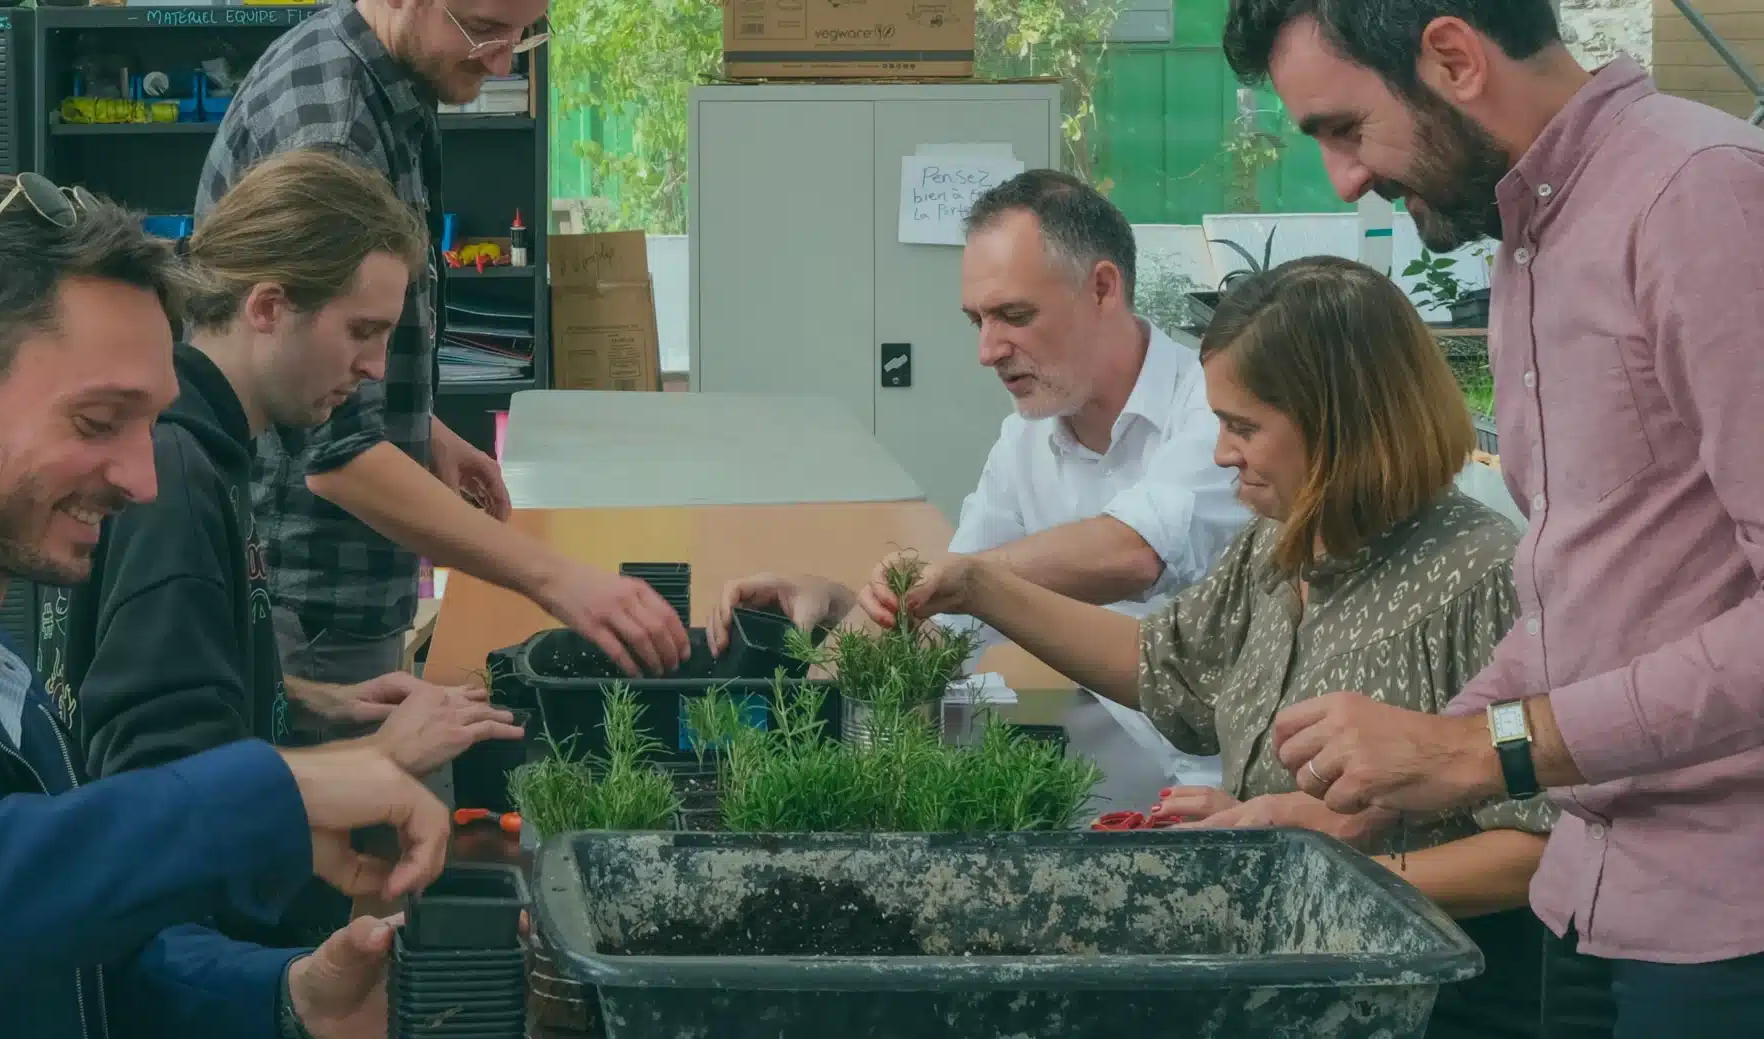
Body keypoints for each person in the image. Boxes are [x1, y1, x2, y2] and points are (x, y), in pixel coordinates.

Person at [0, 173, 452, 1039]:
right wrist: (263, 793)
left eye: (149, 425)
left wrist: (286, 995)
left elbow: (62, 955)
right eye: (99, 421)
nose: (142, 479)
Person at [815, 258, 1552, 1038]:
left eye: (1244, 427)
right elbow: (1164, 668)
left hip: (1432, 1006)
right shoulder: (1278, 545)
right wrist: (978, 586)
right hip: (1294, 990)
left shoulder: (1479, 576)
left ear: (1340, 421)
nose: (1223, 453)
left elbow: (1537, 849)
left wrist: (1319, 873)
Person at [1224, 2, 1764, 1031]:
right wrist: (1404, 776)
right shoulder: (1529, 239)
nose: (1343, 179)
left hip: (1728, 932)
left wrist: (1489, 752)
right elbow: (1589, 596)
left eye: (1342, 128)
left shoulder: (1697, 196)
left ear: (1452, 57)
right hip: (1591, 900)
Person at [45, 150, 524, 949]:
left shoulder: (207, 453)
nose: (373, 370)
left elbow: (162, 672)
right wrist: (376, 755)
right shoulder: (175, 476)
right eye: (361, 332)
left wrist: (315, 698)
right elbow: (154, 791)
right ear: (267, 307)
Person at [198, 0, 688, 740]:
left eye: (524, 34)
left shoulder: (387, 80)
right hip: (310, 599)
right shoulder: (334, 132)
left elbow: (334, 355)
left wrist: (422, 432)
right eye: (485, 29)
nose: (502, 59)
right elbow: (334, 456)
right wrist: (558, 578)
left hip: (337, 588)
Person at [711, 169, 1247, 809]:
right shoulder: (1026, 441)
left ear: (1103, 288)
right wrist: (841, 614)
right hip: (1118, 798)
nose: (988, 351)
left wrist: (949, 582)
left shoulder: (1219, 410)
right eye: (977, 322)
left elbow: (1134, 553)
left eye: (1014, 316)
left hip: (1243, 797)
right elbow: (950, 617)